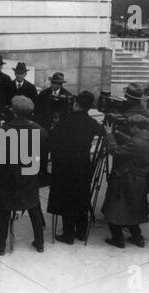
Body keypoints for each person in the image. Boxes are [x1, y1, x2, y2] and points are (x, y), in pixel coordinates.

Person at [0, 96, 47, 255]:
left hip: (8, 178)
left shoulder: (2, 131)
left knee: (5, 212)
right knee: (34, 208)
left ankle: (1, 245)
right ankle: (40, 243)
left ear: (13, 112)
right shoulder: (39, 130)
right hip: (30, 176)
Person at [48, 91, 105, 244]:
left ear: (76, 104)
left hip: (65, 165)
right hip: (83, 164)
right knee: (82, 197)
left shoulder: (66, 120)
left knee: (67, 198)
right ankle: (81, 231)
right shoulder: (92, 122)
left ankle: (68, 234)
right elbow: (103, 132)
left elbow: (53, 139)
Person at [102, 115, 149, 249]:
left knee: (114, 208)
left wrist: (109, 135)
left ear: (135, 127)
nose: (128, 129)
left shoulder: (137, 143)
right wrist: (117, 133)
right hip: (139, 179)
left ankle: (118, 238)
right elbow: (133, 141)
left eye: (130, 127)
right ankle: (137, 237)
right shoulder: (148, 138)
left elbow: (116, 151)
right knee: (132, 209)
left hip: (125, 178)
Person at [34, 72, 73, 182]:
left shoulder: (67, 96)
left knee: (57, 153)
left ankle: (56, 174)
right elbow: (37, 111)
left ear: (60, 84)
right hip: (44, 128)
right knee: (43, 152)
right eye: (52, 82)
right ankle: (42, 172)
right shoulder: (43, 94)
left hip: (59, 130)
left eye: (56, 83)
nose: (53, 85)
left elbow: (68, 114)